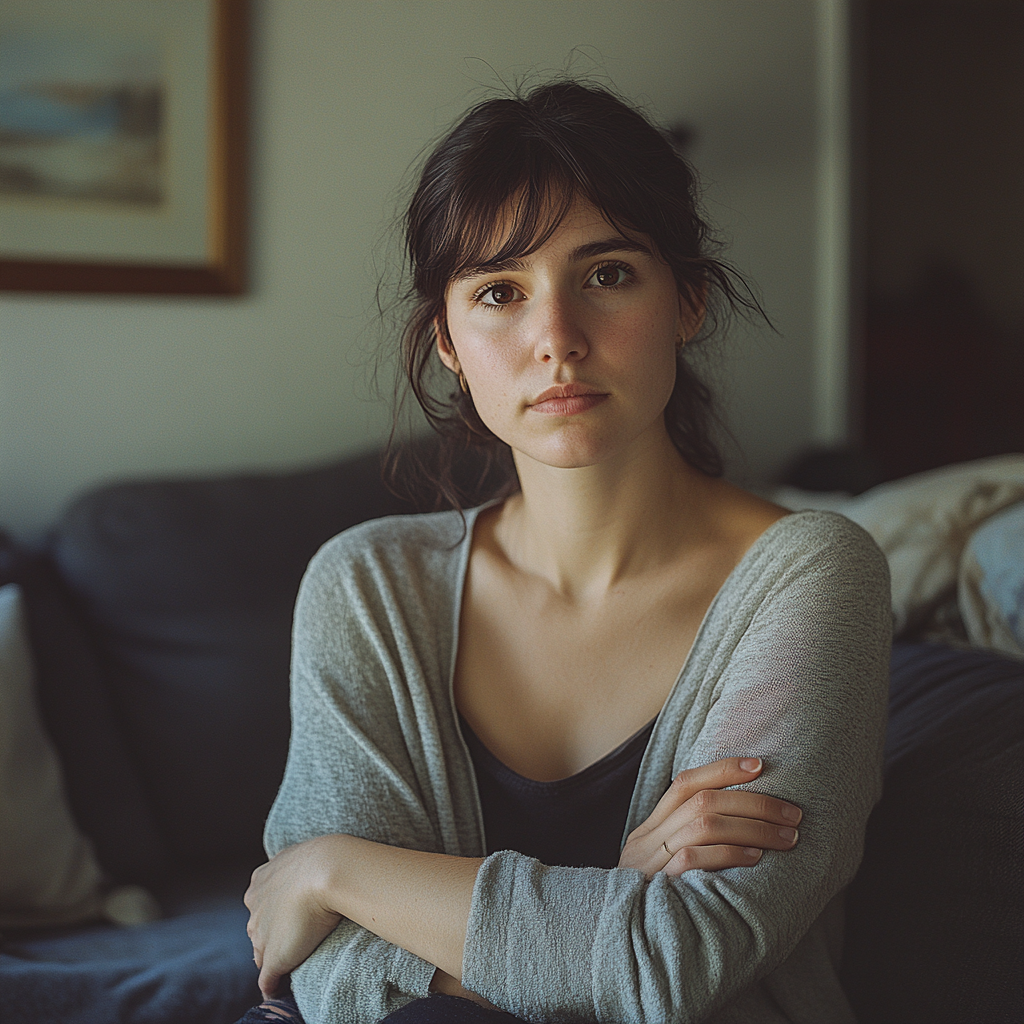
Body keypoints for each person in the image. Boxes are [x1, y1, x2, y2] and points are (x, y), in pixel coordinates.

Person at [240, 81, 891, 1024]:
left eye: (608, 274)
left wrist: (333, 868)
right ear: (448, 342)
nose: (557, 341)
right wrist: (613, 895)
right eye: (500, 292)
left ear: (689, 302)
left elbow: (678, 963)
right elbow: (323, 973)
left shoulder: (812, 573)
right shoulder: (367, 587)